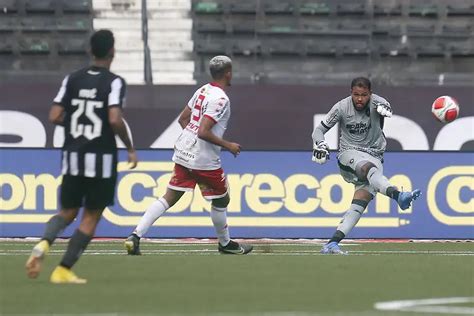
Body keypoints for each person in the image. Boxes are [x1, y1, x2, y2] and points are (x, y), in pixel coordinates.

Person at [25, 29, 138, 283]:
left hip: (73, 156)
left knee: (66, 212)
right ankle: (63, 269)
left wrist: (75, 127)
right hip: (101, 160)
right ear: (112, 52)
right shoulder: (114, 82)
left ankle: (44, 243)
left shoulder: (72, 79)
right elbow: (114, 119)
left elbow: (54, 116)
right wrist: (129, 146)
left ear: (90, 51)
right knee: (91, 216)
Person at [124, 55, 253, 255]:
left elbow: (184, 119)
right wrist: (228, 145)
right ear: (228, 73)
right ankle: (225, 244)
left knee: (169, 197)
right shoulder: (220, 99)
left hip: (184, 152)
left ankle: (135, 236)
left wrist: (190, 139)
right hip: (204, 159)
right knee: (221, 200)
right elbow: (203, 131)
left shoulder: (202, 90)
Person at [312, 77, 421, 254]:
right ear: (351, 93)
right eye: (356, 95)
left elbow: (387, 107)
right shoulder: (341, 107)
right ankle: (398, 195)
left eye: (364, 95)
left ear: (370, 94)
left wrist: (386, 111)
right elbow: (319, 131)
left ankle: (332, 243)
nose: (360, 99)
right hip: (349, 154)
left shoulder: (378, 102)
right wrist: (320, 144)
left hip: (375, 155)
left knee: (359, 203)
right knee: (368, 168)